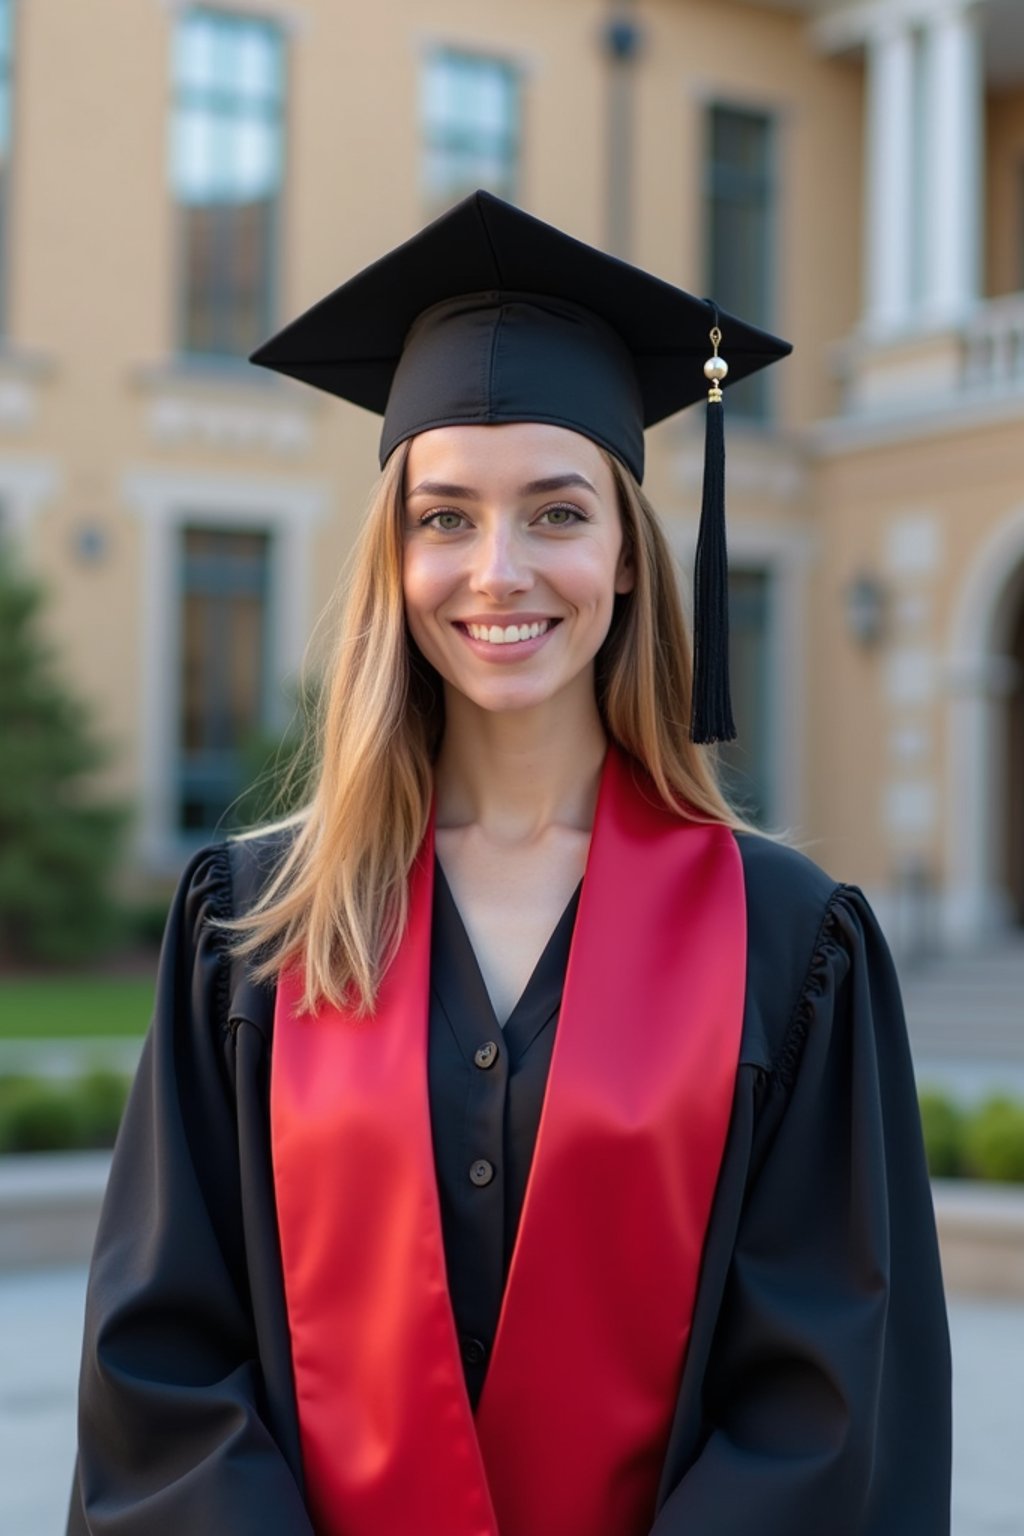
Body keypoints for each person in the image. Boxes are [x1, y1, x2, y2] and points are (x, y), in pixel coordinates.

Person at [68, 192, 951, 1536]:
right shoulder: (255, 924)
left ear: (630, 556)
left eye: (555, 513)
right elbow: (167, 1366)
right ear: (395, 556)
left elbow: (830, 1402)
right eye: (445, 519)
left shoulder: (787, 943)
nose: (498, 572)